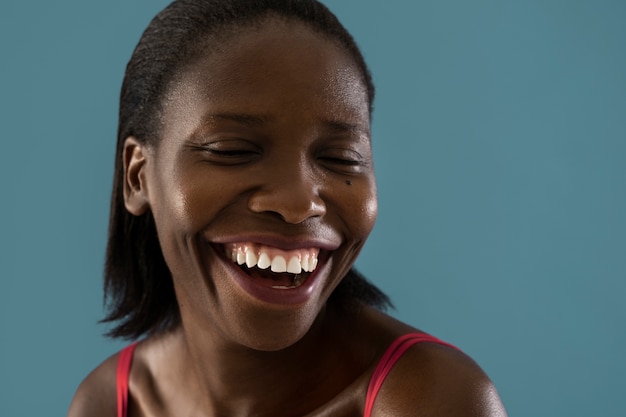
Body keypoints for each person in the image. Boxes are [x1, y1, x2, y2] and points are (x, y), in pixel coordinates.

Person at [68, 0, 507, 416]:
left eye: (341, 159)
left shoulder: (429, 399)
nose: (299, 204)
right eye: (232, 150)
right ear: (137, 177)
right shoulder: (109, 403)